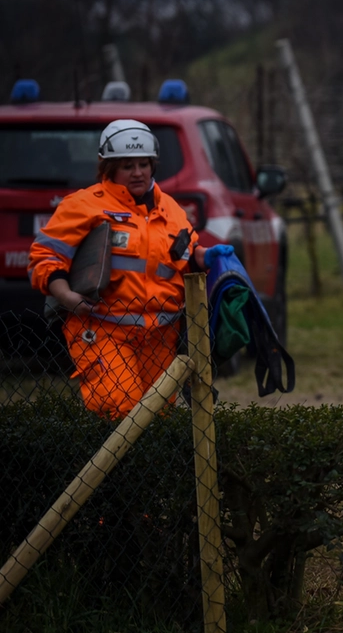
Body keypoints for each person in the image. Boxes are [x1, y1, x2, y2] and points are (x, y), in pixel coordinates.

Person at [28, 119, 231, 418]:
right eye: (127, 165)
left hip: (161, 335)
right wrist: (68, 298)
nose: (137, 172)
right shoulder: (83, 205)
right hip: (102, 328)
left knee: (159, 417)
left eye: (143, 164)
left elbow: (184, 257)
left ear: (153, 165)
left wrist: (206, 256)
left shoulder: (171, 209)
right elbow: (45, 258)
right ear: (108, 168)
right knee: (121, 410)